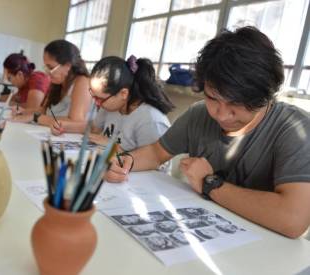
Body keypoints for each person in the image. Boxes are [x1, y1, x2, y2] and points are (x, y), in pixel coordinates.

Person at [105, 26, 310, 239]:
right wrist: (124, 162)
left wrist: (209, 183)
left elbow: (293, 219)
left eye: (236, 104)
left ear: (265, 96)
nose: (221, 114)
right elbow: (156, 153)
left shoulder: (295, 128)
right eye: (212, 98)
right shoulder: (199, 114)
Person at [51, 55, 173, 153]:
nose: (96, 103)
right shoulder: (110, 105)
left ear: (124, 93)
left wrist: (111, 145)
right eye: (93, 95)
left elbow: (153, 163)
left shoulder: (150, 120)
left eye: (100, 98)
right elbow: (94, 129)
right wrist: (66, 127)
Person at [11, 40, 91, 128]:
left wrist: (36, 118)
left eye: (51, 67)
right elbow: (45, 110)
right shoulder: (58, 82)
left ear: (68, 65)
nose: (48, 72)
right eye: (46, 67)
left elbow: (75, 122)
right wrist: (23, 111)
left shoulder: (82, 82)